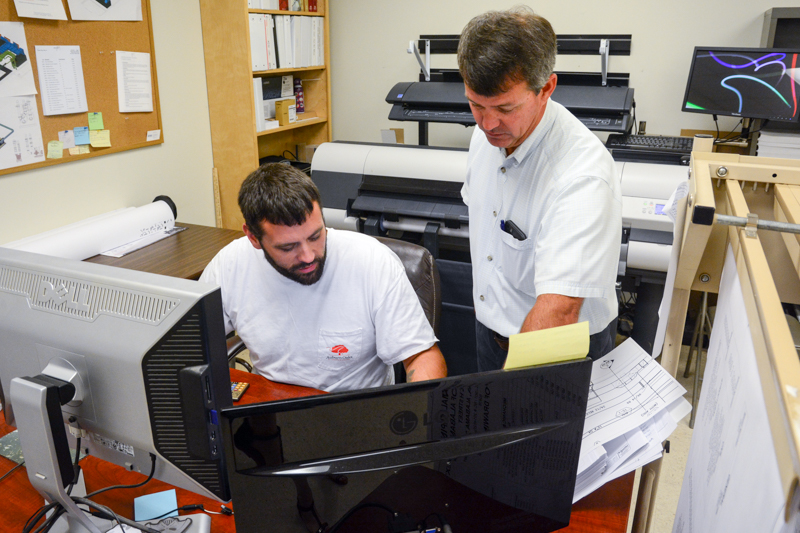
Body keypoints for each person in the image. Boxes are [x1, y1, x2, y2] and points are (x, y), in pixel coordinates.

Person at [457, 7, 622, 371]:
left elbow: (558, 312)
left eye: (504, 107)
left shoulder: (581, 175)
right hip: (491, 329)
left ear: (546, 88)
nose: (486, 123)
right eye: (475, 104)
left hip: (556, 344)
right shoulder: (486, 135)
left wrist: (508, 388)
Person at [200, 163, 447, 392]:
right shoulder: (230, 265)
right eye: (288, 248)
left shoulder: (372, 262)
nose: (308, 256)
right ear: (253, 238)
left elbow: (421, 355)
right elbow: (190, 346)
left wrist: (417, 416)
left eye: (316, 236)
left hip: (356, 411)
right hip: (270, 410)